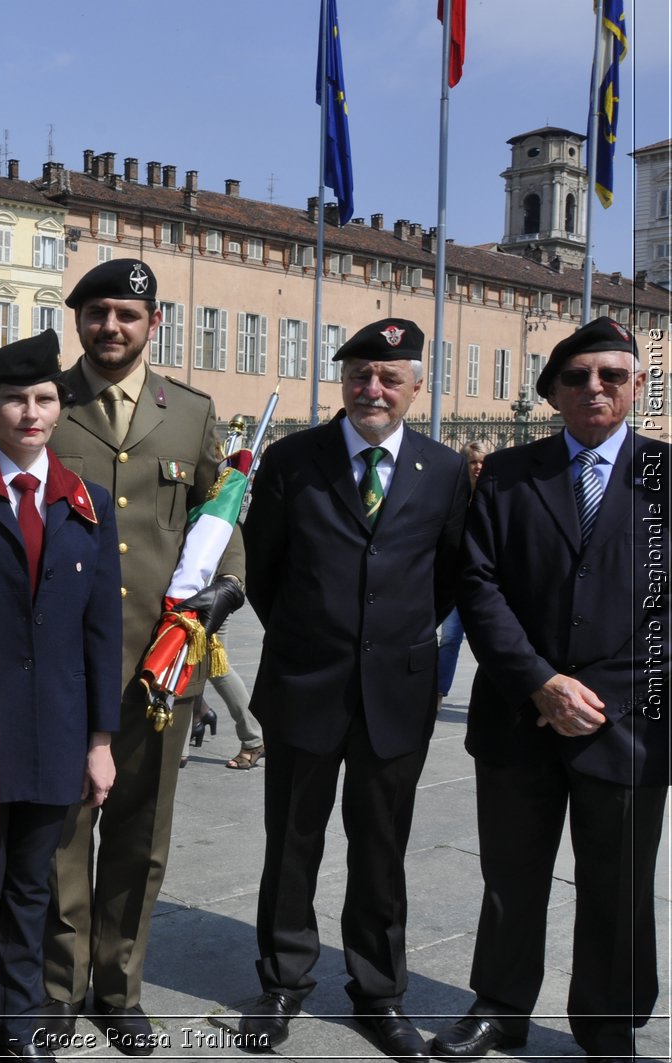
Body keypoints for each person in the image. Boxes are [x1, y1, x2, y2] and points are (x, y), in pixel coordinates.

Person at [429, 318, 667, 1062]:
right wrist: (540, 682)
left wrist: (598, 694)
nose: (595, 387)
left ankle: (609, 1023)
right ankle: (499, 1007)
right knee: (511, 874)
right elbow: (479, 584)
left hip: (629, 722)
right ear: (554, 392)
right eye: (577, 377)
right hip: (518, 716)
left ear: (637, 386)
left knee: (619, 885)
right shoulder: (506, 473)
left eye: (612, 375)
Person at [236, 318, 469, 1060]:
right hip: (307, 681)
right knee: (292, 841)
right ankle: (282, 981)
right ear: (343, 379)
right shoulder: (292, 459)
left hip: (394, 692)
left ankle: (378, 992)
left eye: (390, 377)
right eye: (361, 373)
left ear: (415, 386)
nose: (374, 388)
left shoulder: (443, 469)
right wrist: (318, 635)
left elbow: (448, 577)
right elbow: (265, 569)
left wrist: (387, 643)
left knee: (381, 848)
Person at [41, 258, 245, 1054]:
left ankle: (118, 988)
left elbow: (220, 514)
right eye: (96, 314)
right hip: (64, 667)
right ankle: (58, 988)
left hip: (161, 667)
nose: (111, 328)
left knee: (140, 836)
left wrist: (227, 588)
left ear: (153, 323)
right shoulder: (47, 406)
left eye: (126, 314)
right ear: (79, 322)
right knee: (64, 835)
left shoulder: (191, 414)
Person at [0, 331, 122, 1060]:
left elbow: (101, 630)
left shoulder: (87, 502)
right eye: (15, 398)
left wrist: (101, 740)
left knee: (30, 889)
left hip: (56, 727)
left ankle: (17, 1026)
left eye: (44, 397)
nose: (31, 411)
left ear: (60, 410)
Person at [435, 442, 487, 704]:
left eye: (481, 461)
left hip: (483, 581)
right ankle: (439, 692)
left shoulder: (492, 495)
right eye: (472, 462)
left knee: (488, 642)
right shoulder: (454, 495)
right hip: (456, 578)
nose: (478, 467)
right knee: (451, 638)